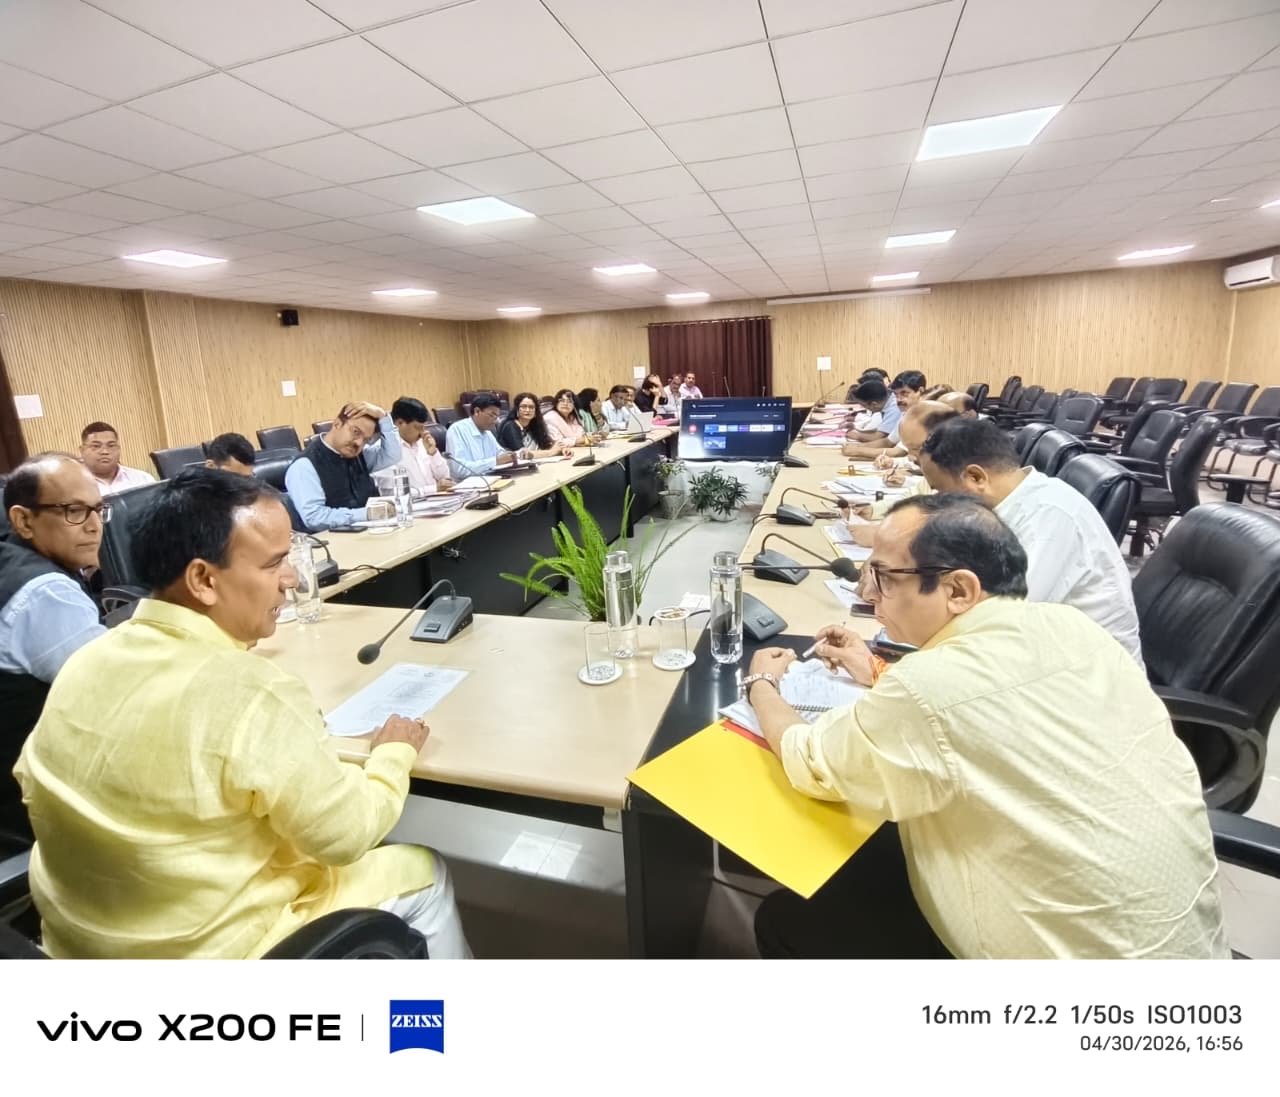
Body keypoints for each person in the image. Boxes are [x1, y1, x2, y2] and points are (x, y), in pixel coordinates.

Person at [743, 494, 1225, 959]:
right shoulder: (1074, 627)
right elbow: (999, 709)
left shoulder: (927, 688)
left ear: (958, 590)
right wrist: (874, 669)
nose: (868, 594)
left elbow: (813, 761)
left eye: (884, 577)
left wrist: (763, 683)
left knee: (790, 918)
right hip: (1182, 950)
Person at [14, 469, 470, 959]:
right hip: (209, 957)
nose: (292, 579)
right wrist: (392, 754)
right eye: (275, 564)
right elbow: (347, 835)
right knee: (423, 870)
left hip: (77, 953)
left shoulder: (85, 661)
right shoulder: (250, 691)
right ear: (203, 580)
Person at [918, 417, 1143, 664]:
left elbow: (1004, 618)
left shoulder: (1050, 516)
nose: (940, 501)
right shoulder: (1013, 502)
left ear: (976, 477)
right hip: (1049, 649)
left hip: (1093, 670)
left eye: (941, 491)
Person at [0, 454, 107, 833]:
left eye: (98, 510)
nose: (94, 525)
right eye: (74, 511)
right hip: (33, 808)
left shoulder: (10, 559)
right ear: (23, 520)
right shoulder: (47, 593)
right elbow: (116, 694)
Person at [844, 401, 957, 547]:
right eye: (908, 449)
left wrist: (887, 536)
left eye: (916, 449)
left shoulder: (965, 475)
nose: (910, 457)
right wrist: (874, 509)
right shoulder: (938, 469)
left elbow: (955, 531)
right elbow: (915, 497)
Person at [283, 401, 401, 531]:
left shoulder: (358, 455)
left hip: (372, 532)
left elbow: (393, 454)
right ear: (337, 424)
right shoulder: (304, 466)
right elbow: (314, 518)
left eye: (366, 440)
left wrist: (383, 416)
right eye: (356, 432)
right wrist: (366, 514)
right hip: (333, 540)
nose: (359, 443)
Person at [845, 371, 925, 459]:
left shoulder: (925, 415)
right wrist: (858, 447)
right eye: (896, 394)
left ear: (920, 391)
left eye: (904, 393)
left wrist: (858, 451)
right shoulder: (906, 412)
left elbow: (898, 452)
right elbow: (888, 441)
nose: (898, 400)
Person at [445, 392, 525, 475]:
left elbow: (500, 453)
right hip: (470, 481)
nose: (496, 421)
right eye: (492, 415)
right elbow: (459, 469)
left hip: (493, 478)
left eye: (497, 416)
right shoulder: (457, 430)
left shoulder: (487, 432)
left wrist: (513, 455)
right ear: (477, 411)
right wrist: (495, 461)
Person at [385, 396, 452, 494]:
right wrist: (433, 489)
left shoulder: (423, 443)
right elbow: (392, 493)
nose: (423, 432)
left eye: (423, 427)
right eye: (418, 427)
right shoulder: (385, 451)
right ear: (400, 423)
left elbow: (445, 477)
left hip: (439, 499)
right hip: (412, 503)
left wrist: (433, 454)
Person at [79, 421, 156, 494]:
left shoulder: (144, 480)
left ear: (119, 448)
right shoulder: (73, 485)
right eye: (96, 446)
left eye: (111, 445)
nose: (105, 451)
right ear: (82, 450)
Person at [497, 392, 568, 457]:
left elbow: (547, 444)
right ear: (517, 409)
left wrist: (561, 449)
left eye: (531, 407)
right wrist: (551, 452)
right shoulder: (510, 426)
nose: (527, 410)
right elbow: (523, 454)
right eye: (524, 406)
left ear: (535, 411)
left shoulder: (535, 425)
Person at [842, 379, 901, 452]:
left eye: (864, 405)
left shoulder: (894, 408)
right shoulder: (888, 404)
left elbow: (880, 438)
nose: (864, 408)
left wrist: (858, 437)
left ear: (874, 404)